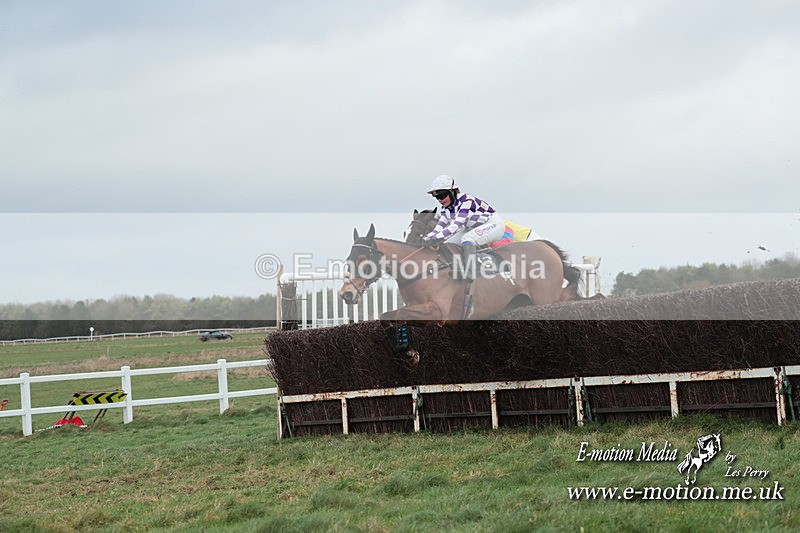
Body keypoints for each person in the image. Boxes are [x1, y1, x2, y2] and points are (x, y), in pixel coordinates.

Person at [422, 175, 505, 281]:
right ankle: (457, 268)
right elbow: (438, 228)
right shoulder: (445, 209)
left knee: (467, 239)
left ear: (452, 192)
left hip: (493, 224)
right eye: (436, 197)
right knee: (447, 243)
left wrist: (435, 238)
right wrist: (426, 238)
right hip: (472, 228)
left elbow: (455, 225)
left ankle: (471, 271)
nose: (440, 200)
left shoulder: (466, 200)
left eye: (442, 195)